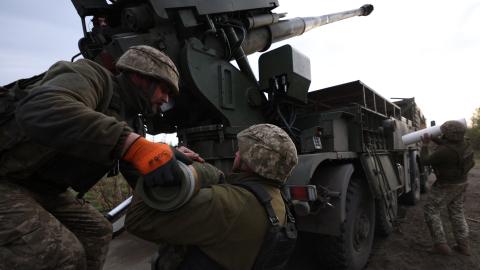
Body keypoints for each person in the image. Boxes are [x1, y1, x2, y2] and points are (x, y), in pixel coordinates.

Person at [0, 45, 202, 270]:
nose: (165, 99)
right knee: (61, 253)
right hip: (6, 179)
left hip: (43, 188)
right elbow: (41, 108)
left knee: (96, 232)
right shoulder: (90, 76)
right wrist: (132, 144)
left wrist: (169, 162)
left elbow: (140, 174)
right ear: (140, 76)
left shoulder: (131, 120)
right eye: (164, 89)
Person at [125, 123, 299, 270]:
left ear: (252, 158)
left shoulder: (225, 204)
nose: (236, 154)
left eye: (241, 150)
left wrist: (197, 170)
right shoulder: (278, 203)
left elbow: (137, 219)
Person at [421, 120, 475, 256]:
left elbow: (424, 161)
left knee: (431, 210)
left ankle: (440, 245)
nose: (443, 135)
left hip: (446, 184)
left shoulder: (444, 152)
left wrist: (425, 145)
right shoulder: (466, 143)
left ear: (449, 135)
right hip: (461, 183)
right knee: (457, 212)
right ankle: (464, 246)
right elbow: (450, 146)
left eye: (444, 133)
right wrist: (435, 138)